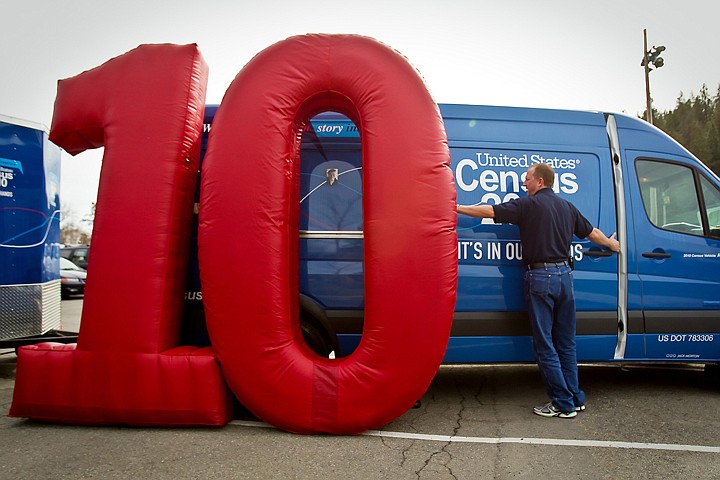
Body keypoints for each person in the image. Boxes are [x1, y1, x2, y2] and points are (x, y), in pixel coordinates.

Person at [457, 163, 620, 419]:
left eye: (527, 179)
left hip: (541, 278)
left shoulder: (527, 205)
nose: (524, 183)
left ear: (540, 182)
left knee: (545, 344)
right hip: (565, 277)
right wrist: (612, 244)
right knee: (566, 342)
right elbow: (592, 233)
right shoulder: (567, 207)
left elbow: (489, 210)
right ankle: (575, 398)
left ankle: (562, 403)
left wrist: (456, 208)